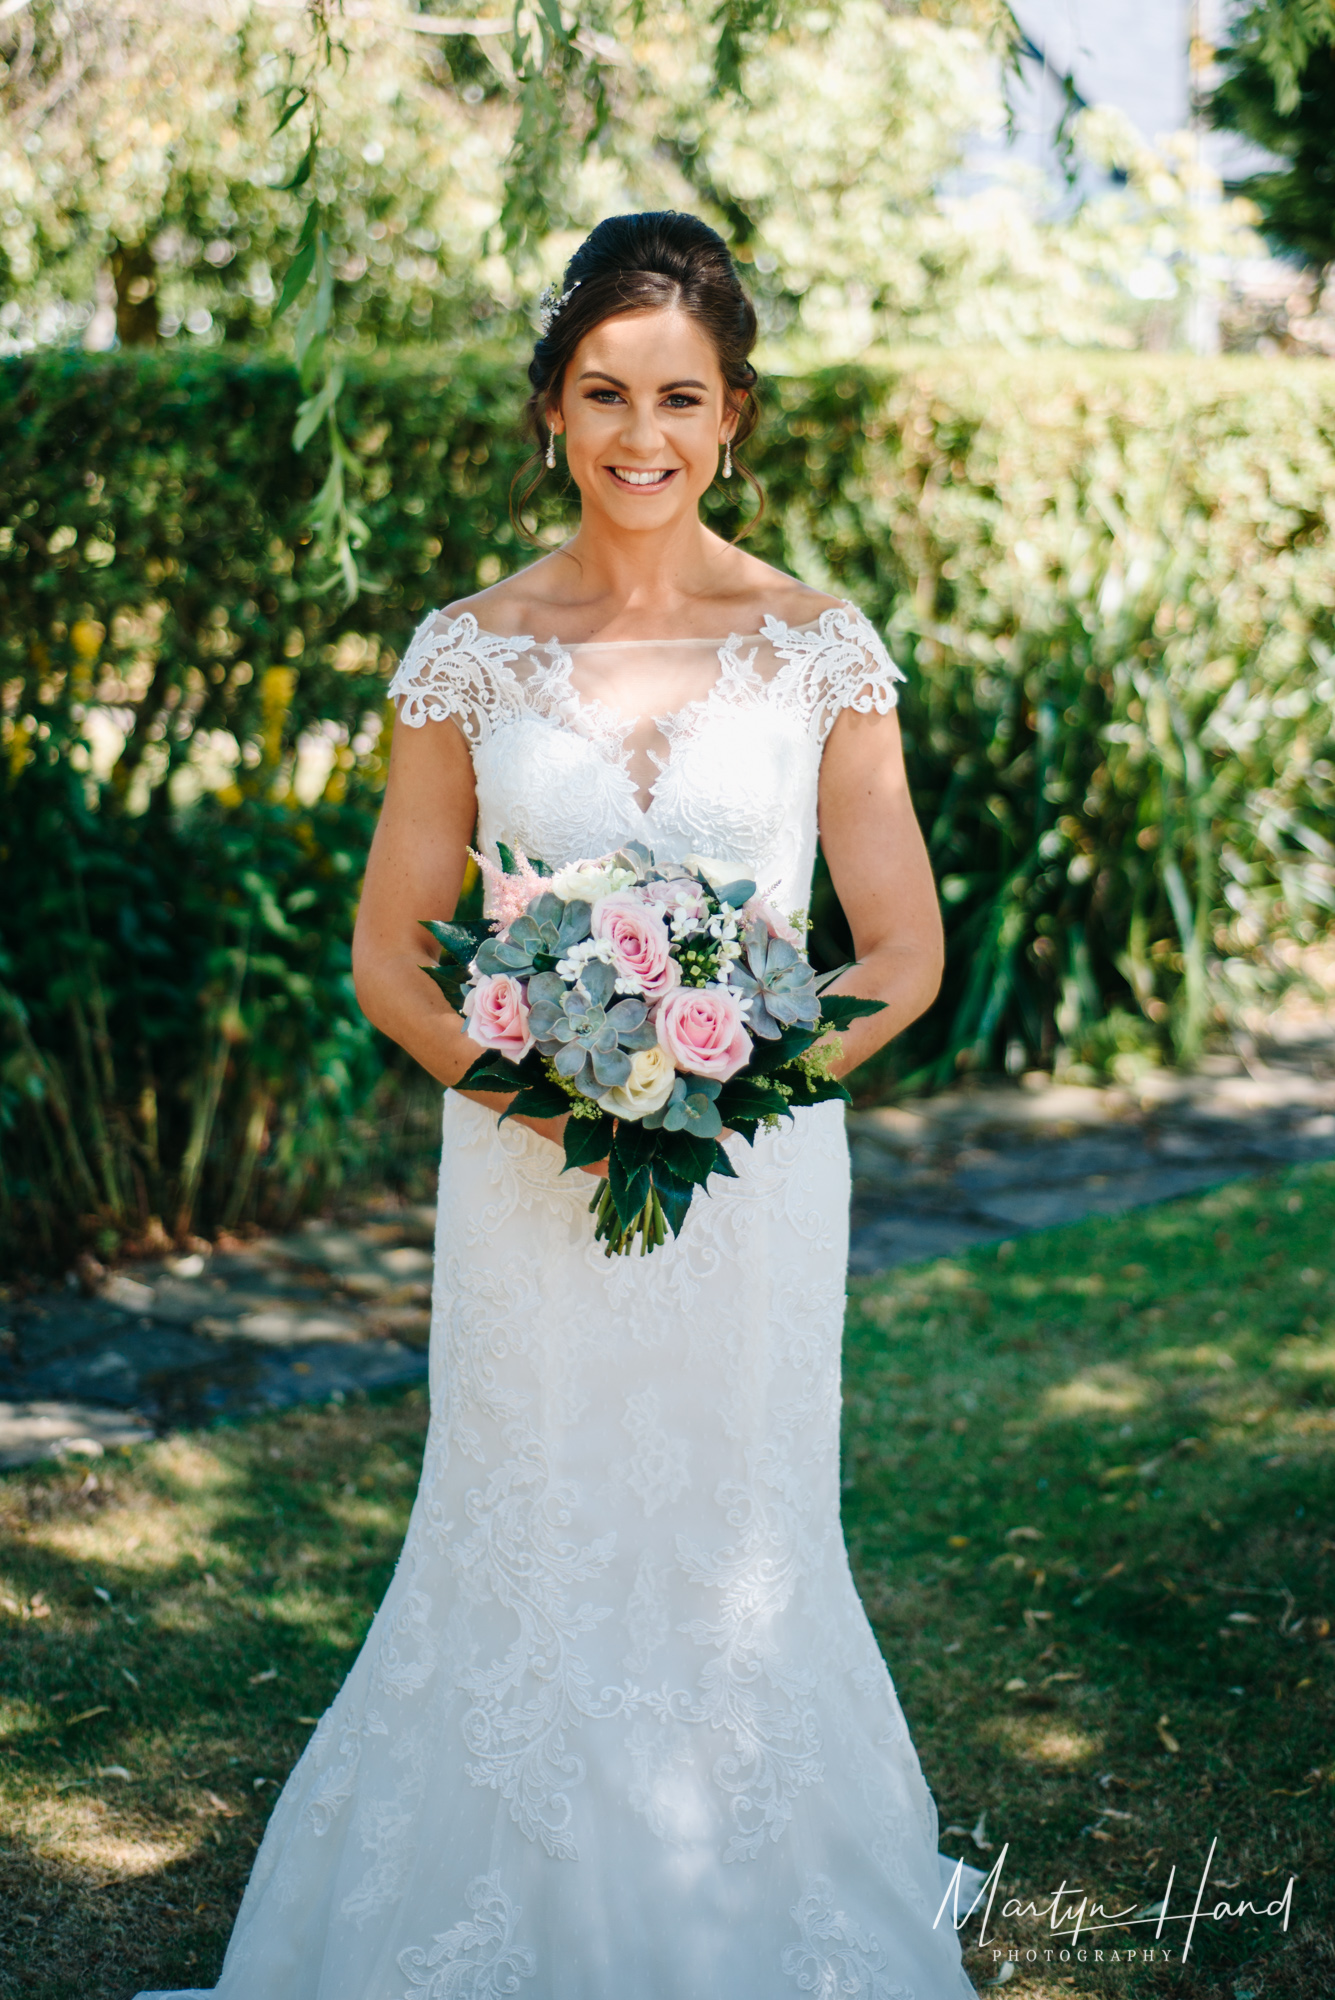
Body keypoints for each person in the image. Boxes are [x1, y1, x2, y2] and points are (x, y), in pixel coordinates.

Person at [138, 210, 982, 2000]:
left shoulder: (822, 649)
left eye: (681, 395)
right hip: (526, 1168)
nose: (640, 434)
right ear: (551, 409)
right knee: (528, 1509)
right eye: (603, 392)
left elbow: (898, 953)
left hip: (751, 1178)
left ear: (736, 413)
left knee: (742, 1519)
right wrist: (552, 1098)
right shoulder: (469, 653)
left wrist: (729, 1088)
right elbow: (392, 957)